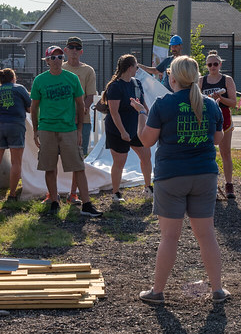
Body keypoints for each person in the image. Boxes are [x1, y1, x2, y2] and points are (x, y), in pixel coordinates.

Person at [138, 55, 227, 304]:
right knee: (206, 234)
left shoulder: (163, 103)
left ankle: (157, 292)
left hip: (171, 176)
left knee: (169, 237)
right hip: (204, 174)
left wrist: (141, 114)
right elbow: (218, 139)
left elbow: (146, 141)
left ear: (172, 77)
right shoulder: (210, 104)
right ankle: (217, 290)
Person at [31, 45, 102, 218]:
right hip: (47, 128)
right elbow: (34, 108)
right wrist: (35, 130)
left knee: (78, 167)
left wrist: (79, 130)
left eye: (60, 57)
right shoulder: (40, 80)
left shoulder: (72, 78)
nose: (57, 61)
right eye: (53, 58)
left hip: (69, 129)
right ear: (47, 61)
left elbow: (80, 105)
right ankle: (54, 201)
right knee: (49, 167)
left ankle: (86, 204)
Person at [102, 54, 153, 203]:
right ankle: (116, 193)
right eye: (136, 66)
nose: (137, 69)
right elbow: (114, 112)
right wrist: (123, 132)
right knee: (120, 162)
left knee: (146, 156)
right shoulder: (115, 86)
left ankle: (148, 187)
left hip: (135, 128)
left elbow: (143, 104)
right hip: (118, 129)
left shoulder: (137, 83)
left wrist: (147, 114)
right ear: (130, 67)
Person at [64, 36, 97, 204]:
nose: (74, 51)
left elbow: (90, 96)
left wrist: (80, 110)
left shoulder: (88, 70)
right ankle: (52, 193)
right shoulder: (59, 68)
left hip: (82, 121)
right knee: (54, 157)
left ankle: (73, 193)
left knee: (78, 158)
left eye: (77, 48)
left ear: (81, 51)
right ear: (66, 50)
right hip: (61, 121)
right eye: (71, 47)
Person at [201, 51, 238, 198]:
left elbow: (234, 103)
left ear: (220, 64)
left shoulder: (227, 80)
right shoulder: (201, 80)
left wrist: (220, 98)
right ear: (206, 66)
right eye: (209, 64)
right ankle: (210, 185)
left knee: (225, 153)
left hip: (224, 120)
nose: (212, 67)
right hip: (206, 120)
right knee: (207, 153)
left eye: (215, 64)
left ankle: (229, 185)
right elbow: (197, 100)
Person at [0, 68, 32, 200]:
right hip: (15, 125)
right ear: (13, 78)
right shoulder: (19, 88)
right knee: (16, 162)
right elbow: (30, 108)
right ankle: (12, 194)